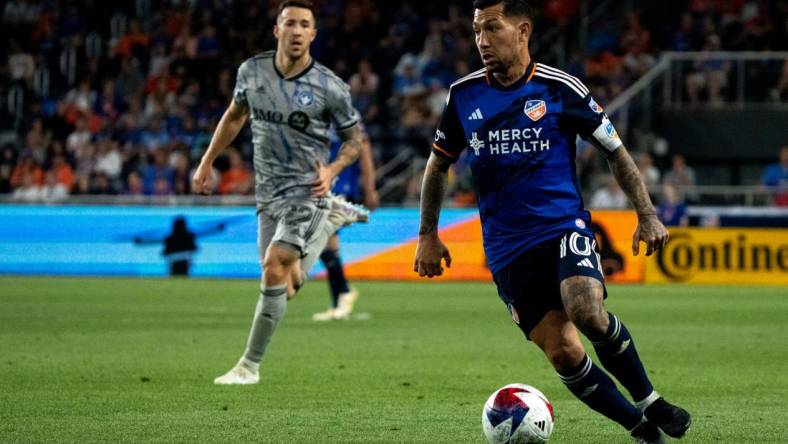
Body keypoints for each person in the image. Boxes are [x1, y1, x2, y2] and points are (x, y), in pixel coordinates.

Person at [413, 2, 691, 443]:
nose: (482, 41)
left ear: (522, 31)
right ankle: (642, 430)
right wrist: (428, 234)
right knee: (563, 353)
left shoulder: (560, 88)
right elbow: (437, 165)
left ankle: (649, 399)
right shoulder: (463, 95)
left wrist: (647, 213)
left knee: (586, 311)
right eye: (476, 31)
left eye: (492, 29)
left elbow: (615, 151)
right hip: (506, 247)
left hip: (562, 227)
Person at [191, 0, 369, 385]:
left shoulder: (329, 87)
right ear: (277, 30)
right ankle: (329, 223)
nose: (297, 30)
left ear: (313, 34)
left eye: (305, 24)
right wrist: (207, 161)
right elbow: (235, 115)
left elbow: (355, 140)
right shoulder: (252, 72)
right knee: (282, 285)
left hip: (307, 190)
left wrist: (334, 168)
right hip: (267, 193)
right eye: (290, 23)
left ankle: (248, 367)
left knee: (275, 265)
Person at [312, 119, 379, 321]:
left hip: (338, 186)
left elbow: (364, 150)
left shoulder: (348, 114)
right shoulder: (315, 110)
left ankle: (343, 295)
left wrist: (370, 189)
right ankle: (340, 298)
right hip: (320, 184)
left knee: (324, 238)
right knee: (325, 243)